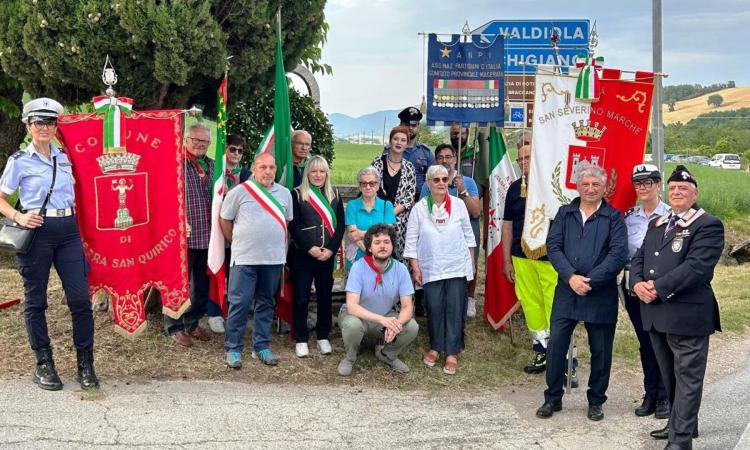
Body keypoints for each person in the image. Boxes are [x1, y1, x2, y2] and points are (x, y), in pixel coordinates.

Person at [0, 97, 98, 390]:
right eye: (38, 122)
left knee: (80, 299)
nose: (44, 127)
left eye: (50, 122)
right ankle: (44, 363)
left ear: (57, 126)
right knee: (36, 300)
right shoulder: (19, 161)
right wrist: (19, 215)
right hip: (37, 232)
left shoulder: (66, 157)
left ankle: (85, 364)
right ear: (28, 126)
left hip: (68, 230)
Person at [630, 165, 723, 450]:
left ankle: (680, 440)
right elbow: (639, 259)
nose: (677, 192)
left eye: (683, 189)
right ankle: (682, 423)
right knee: (669, 375)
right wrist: (636, 284)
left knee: (688, 378)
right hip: (656, 315)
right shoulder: (657, 223)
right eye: (673, 189)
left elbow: (696, 268)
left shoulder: (707, 224)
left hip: (687, 314)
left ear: (694, 194)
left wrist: (656, 288)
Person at [536, 163, 628, 421]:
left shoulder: (614, 217)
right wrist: (571, 277)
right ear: (577, 186)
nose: (590, 189)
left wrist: (589, 280)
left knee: (601, 351)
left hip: (600, 293)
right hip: (567, 292)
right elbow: (553, 247)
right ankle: (552, 398)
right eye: (585, 184)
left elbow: (618, 254)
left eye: (596, 185)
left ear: (604, 187)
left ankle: (596, 401)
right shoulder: (565, 213)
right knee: (556, 347)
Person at [219, 153, 293, 368]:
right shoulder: (239, 192)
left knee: (266, 303)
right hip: (244, 258)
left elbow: (286, 222)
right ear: (253, 168)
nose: (268, 171)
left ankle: (261, 346)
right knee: (239, 303)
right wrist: (237, 241)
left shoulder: (284, 194)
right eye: (263, 167)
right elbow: (225, 219)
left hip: (272, 259)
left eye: (271, 167)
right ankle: (233, 348)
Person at [404, 165, 475, 375]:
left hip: (456, 265)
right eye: (436, 180)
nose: (442, 183)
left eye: (445, 179)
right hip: (430, 266)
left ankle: (452, 352)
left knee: (455, 308)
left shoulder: (459, 205)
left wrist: (470, 264)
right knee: (434, 307)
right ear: (428, 183)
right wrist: (415, 266)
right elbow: (410, 241)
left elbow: (469, 236)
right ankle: (435, 347)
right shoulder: (419, 208)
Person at [502, 144, 559, 375]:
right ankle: (541, 350)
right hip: (521, 256)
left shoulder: (552, 186)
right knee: (531, 305)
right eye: (519, 159)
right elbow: (507, 226)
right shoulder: (515, 189)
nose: (523, 162)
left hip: (551, 259)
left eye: (527, 157)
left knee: (555, 308)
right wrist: (506, 261)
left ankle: (564, 358)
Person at [338, 224, 419, 376]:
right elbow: (352, 306)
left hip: (385, 316)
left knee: (412, 326)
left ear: (392, 245)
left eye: (386, 242)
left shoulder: (400, 269)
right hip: (359, 317)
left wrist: (397, 324)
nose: (382, 246)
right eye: (377, 242)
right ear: (369, 248)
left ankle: (387, 355)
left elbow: (408, 307)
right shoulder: (358, 267)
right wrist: (383, 320)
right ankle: (350, 358)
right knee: (352, 324)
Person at [623, 164, 670, 418]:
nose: (642, 187)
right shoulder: (629, 216)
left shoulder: (672, 215)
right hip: (634, 287)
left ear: (658, 184)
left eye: (648, 182)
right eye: (638, 183)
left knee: (662, 342)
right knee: (645, 342)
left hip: (661, 288)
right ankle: (650, 393)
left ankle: (665, 395)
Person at [288, 155, 345, 358]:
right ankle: (301, 338)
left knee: (324, 297)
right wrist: (309, 248)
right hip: (303, 255)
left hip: (326, 256)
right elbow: (293, 225)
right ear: (307, 174)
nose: (318, 175)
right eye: (314, 171)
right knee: (302, 297)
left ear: (327, 173)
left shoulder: (335, 194)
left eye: (322, 171)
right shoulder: (297, 194)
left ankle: (323, 336)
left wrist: (330, 249)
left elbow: (340, 226)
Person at [164, 123, 213, 347]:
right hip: (182, 236)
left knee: (202, 285)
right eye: (196, 140)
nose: (200, 145)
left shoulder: (213, 166)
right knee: (177, 284)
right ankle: (174, 326)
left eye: (205, 142)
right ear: (186, 140)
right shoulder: (174, 164)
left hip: (209, 236)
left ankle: (192, 322)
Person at [420, 143, 481, 317]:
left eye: (448, 157)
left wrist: (462, 191)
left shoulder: (467, 182)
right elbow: (424, 210)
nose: (444, 160)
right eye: (440, 157)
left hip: (465, 230)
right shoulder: (429, 183)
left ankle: (469, 298)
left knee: (470, 265)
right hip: (439, 231)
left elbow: (476, 212)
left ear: (454, 159)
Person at [206, 134, 251, 334]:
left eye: (240, 151)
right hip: (214, 230)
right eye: (232, 149)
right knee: (214, 271)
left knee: (235, 276)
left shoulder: (247, 175)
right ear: (225, 150)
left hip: (237, 232)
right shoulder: (214, 172)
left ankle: (232, 311)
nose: (236, 154)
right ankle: (214, 312)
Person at [371, 126, 416, 263]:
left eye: (403, 140)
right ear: (390, 141)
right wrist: (383, 215)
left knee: (398, 261)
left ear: (407, 144)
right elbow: (371, 188)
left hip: (400, 223)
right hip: (377, 218)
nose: (399, 142)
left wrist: (390, 214)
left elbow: (409, 197)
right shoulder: (377, 163)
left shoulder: (409, 168)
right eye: (396, 139)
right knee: (378, 258)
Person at [345, 166, 396, 269]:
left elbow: (388, 234)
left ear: (378, 186)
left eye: (372, 183)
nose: (368, 187)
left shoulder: (387, 206)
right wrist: (371, 254)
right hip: (356, 262)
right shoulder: (352, 205)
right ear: (359, 186)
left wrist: (361, 233)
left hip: (382, 261)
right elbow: (353, 236)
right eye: (364, 183)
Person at [383, 107, 435, 198]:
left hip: (420, 201)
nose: (410, 128)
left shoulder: (426, 152)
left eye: (414, 125)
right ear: (400, 125)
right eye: (407, 124)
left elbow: (434, 178)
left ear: (418, 126)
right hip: (394, 199)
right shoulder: (390, 150)